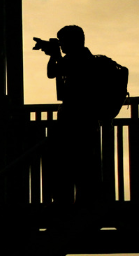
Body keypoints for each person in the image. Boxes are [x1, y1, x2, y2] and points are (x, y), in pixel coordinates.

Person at [40, 25, 108, 207]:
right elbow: (53, 72)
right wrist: (54, 55)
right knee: (81, 163)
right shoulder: (82, 57)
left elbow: (54, 71)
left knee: (73, 163)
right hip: (84, 121)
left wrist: (54, 55)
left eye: (63, 41)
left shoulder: (79, 59)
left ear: (72, 41)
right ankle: (80, 201)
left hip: (76, 120)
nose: (61, 45)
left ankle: (73, 203)